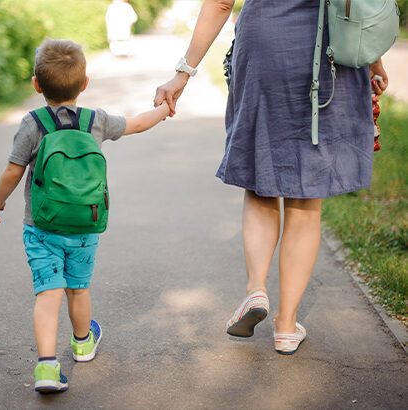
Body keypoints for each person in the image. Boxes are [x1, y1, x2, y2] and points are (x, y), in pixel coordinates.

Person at [154, 0, 389, 354]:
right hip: (331, 47)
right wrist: (374, 60)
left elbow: (220, 2)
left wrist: (183, 72)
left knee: (262, 179)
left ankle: (256, 290)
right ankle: (285, 325)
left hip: (265, 45)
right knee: (307, 195)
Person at [0, 38, 170, 392]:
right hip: (86, 225)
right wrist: (164, 109)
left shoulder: (33, 123)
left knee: (48, 294)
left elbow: (12, 171)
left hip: (41, 226)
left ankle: (46, 368)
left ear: (36, 85)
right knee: (78, 289)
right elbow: (137, 124)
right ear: (84, 84)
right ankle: (83, 343)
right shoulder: (95, 121)